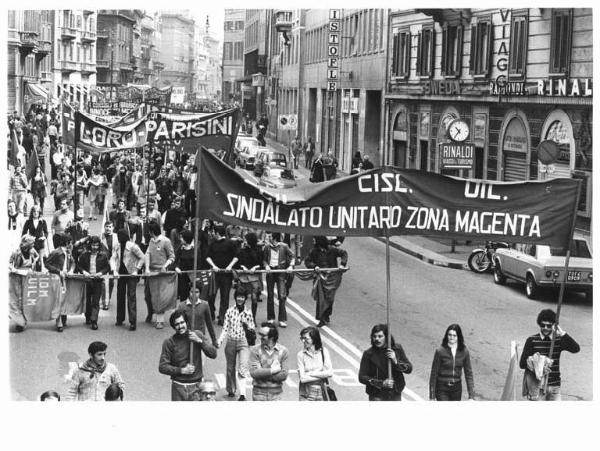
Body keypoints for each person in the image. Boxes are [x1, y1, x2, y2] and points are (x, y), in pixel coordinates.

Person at [519, 309, 580, 401]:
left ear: (553, 325)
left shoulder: (558, 340)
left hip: (555, 386)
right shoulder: (532, 340)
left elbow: (576, 349)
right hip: (537, 386)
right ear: (539, 324)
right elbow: (522, 364)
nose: (546, 328)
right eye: (543, 325)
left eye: (549, 325)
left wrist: (563, 333)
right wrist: (538, 363)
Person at [158, 310, 217, 401]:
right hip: (178, 387)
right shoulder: (169, 342)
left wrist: (200, 341)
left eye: (182, 322)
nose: (180, 326)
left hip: (196, 388)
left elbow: (213, 354)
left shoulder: (197, 335)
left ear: (186, 322)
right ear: (174, 326)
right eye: (177, 324)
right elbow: (162, 367)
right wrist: (181, 370)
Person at [218, 288, 256, 401]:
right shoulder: (229, 311)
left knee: (243, 367)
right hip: (231, 341)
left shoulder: (248, 312)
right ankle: (231, 390)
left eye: (242, 297)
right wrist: (220, 341)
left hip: (243, 342)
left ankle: (243, 394)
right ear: (235, 297)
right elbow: (225, 328)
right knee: (230, 368)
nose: (240, 299)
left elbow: (252, 328)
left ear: (245, 299)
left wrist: (246, 325)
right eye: (238, 296)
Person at [358, 324, 413, 401]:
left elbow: (409, 369)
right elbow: (362, 377)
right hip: (377, 395)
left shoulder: (397, 349)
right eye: (374, 336)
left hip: (395, 393)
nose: (377, 339)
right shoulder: (368, 354)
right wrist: (382, 383)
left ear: (386, 337)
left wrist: (396, 361)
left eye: (380, 336)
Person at [304, 236, 348, 327]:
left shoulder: (332, 250)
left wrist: (342, 264)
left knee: (330, 298)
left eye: (315, 239)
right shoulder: (313, 251)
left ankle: (327, 315)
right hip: (320, 277)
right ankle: (322, 318)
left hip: (332, 277)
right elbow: (307, 261)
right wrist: (314, 266)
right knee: (321, 298)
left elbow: (344, 253)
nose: (313, 240)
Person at [429, 324, 476, 401]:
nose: (451, 337)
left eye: (454, 335)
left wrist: (471, 396)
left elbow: (469, 373)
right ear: (447, 335)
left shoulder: (464, 351)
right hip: (442, 388)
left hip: (456, 389)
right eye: (450, 335)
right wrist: (432, 396)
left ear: (458, 337)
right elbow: (434, 374)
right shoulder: (440, 351)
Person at [206, 224, 239, 325]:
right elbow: (207, 257)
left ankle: (222, 317)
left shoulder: (230, 243)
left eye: (213, 232)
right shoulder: (213, 244)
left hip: (226, 274)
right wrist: (213, 266)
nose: (212, 234)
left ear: (217, 233)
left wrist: (230, 266)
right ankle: (211, 314)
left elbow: (237, 256)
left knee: (225, 297)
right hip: (215, 274)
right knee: (211, 295)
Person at [144, 221, 175, 329]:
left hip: (161, 273)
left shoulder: (166, 241)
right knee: (148, 296)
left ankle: (160, 320)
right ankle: (150, 312)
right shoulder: (151, 241)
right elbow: (147, 254)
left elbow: (172, 256)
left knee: (159, 298)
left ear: (152, 231)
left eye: (149, 231)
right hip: (151, 272)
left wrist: (165, 266)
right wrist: (147, 268)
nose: (148, 233)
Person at [248, 322, 289, 401]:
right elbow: (254, 373)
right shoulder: (255, 350)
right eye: (260, 334)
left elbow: (283, 375)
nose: (260, 337)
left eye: (263, 335)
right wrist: (274, 370)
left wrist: (262, 372)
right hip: (259, 393)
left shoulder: (284, 351)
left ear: (272, 337)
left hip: (276, 394)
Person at [114, 228, 145, 331]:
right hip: (121, 274)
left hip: (131, 274)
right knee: (120, 296)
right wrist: (114, 270)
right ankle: (120, 319)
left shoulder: (133, 246)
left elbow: (142, 257)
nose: (119, 238)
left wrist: (137, 270)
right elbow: (113, 258)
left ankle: (132, 322)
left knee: (131, 297)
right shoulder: (117, 246)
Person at [78, 236, 111, 330]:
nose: (95, 247)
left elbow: (107, 267)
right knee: (88, 301)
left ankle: (94, 321)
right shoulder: (84, 255)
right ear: (90, 245)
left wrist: (100, 273)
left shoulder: (103, 255)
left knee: (96, 302)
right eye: (93, 245)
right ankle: (88, 317)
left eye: (96, 245)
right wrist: (84, 272)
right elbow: (79, 266)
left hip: (97, 281)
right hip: (87, 280)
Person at [262, 232, 294, 328]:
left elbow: (292, 256)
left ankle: (282, 319)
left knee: (282, 296)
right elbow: (263, 259)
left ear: (275, 238)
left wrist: (291, 266)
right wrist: (266, 266)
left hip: (281, 272)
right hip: (271, 272)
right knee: (270, 296)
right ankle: (270, 318)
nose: (268, 238)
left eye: (270, 236)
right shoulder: (267, 247)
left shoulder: (284, 246)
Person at [9, 235, 40, 332]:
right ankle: (19, 322)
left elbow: (37, 255)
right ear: (27, 243)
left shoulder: (32, 250)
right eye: (32, 243)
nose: (33, 245)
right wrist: (13, 269)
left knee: (27, 299)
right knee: (19, 299)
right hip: (18, 277)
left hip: (29, 277)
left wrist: (34, 261)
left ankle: (25, 319)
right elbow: (9, 263)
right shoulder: (17, 252)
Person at [45, 232, 74, 332]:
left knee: (65, 299)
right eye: (71, 242)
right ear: (67, 243)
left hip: (66, 278)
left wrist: (70, 271)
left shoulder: (69, 252)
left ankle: (64, 318)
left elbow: (73, 263)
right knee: (58, 300)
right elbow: (47, 264)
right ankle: (59, 322)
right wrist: (59, 271)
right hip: (57, 279)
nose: (72, 244)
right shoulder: (56, 252)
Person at [297, 326, 333, 401]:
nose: (303, 341)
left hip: (322, 392)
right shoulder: (300, 355)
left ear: (314, 338)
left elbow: (330, 373)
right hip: (306, 393)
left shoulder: (324, 352)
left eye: (306, 338)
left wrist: (311, 373)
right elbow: (303, 379)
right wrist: (322, 375)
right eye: (302, 338)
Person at [235, 231, 263, 320]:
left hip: (254, 278)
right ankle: (240, 317)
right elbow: (238, 263)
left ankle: (253, 318)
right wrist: (243, 267)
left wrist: (255, 267)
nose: (244, 241)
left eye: (246, 240)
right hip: (243, 278)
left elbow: (261, 263)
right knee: (241, 298)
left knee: (254, 299)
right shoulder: (242, 251)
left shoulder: (258, 251)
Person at [21, 205, 48, 270]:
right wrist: (27, 238)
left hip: (40, 241)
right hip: (31, 243)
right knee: (33, 258)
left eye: (37, 212)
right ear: (32, 212)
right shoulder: (28, 222)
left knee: (41, 258)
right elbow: (23, 233)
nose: (35, 213)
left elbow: (46, 232)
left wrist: (44, 237)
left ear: (39, 213)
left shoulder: (42, 221)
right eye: (34, 211)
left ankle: (42, 268)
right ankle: (33, 269)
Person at [100, 221, 118, 310]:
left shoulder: (116, 237)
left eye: (110, 227)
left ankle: (108, 298)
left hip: (114, 263)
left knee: (111, 283)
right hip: (104, 263)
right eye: (106, 226)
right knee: (104, 283)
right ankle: (105, 303)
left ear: (113, 228)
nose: (108, 228)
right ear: (104, 227)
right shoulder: (101, 237)